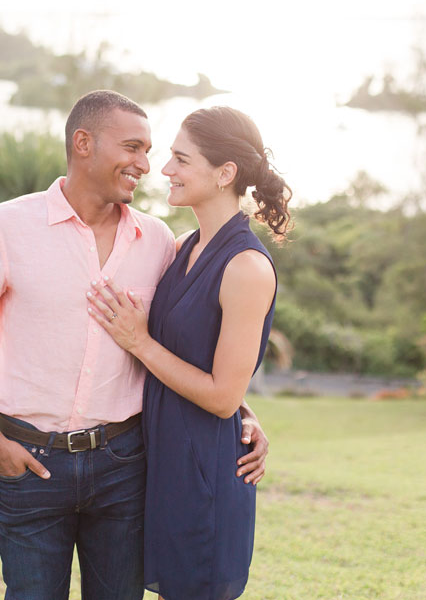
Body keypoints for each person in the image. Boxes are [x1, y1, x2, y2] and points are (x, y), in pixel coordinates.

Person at [0, 91, 270, 600]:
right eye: (133, 147)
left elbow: (191, 343)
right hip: (30, 461)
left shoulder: (158, 243)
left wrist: (239, 411)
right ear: (82, 143)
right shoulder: (1, 227)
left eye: (156, 151)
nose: (147, 165)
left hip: (127, 467)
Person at [87, 106, 290, 600]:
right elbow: (206, 365)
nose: (165, 170)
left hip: (205, 472)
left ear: (225, 174)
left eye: (181, 159)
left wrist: (140, 342)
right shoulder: (181, 246)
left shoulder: (246, 267)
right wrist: (247, 409)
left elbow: (222, 397)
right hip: (163, 465)